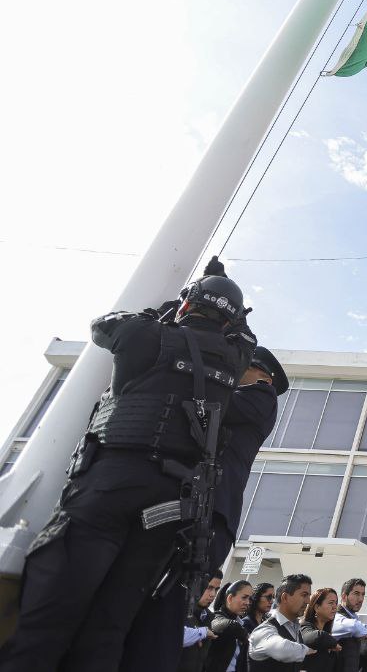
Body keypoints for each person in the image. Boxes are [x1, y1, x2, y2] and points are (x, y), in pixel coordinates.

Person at [0, 258, 255, 672]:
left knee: (50, 611)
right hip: (172, 505)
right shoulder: (235, 358)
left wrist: (166, 309)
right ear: (230, 323)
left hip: (110, 485)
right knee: (109, 627)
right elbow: (243, 333)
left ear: (186, 306)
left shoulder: (143, 334)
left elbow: (104, 324)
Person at [121, 346, 286, 672]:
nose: (232, 376)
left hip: (209, 511)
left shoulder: (260, 397)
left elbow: (206, 405)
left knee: (167, 610)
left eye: (241, 369)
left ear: (262, 376)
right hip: (193, 505)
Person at [248, 573, 316, 671]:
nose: (308, 601)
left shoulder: (296, 628)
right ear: (285, 597)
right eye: (304, 595)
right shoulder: (264, 630)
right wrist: (306, 650)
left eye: (309, 596)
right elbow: (280, 648)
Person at [179, 570, 224, 671]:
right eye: (209, 588)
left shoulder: (210, 617)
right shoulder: (177, 611)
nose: (213, 594)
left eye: (216, 589)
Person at [207, 579, 255, 672]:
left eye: (249, 599)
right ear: (229, 598)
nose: (247, 602)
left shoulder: (241, 623)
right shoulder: (217, 617)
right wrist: (247, 636)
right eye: (244, 597)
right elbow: (227, 625)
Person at [334, 578, 367, 672]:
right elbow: (354, 627)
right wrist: (366, 631)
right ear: (344, 596)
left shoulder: (353, 618)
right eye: (356, 593)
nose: (361, 599)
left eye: (363, 595)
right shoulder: (337, 617)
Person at [300, 587, 344, 672]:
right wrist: (332, 642)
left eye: (336, 603)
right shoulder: (305, 626)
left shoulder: (327, 635)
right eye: (331, 603)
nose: (335, 607)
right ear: (317, 607)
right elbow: (311, 637)